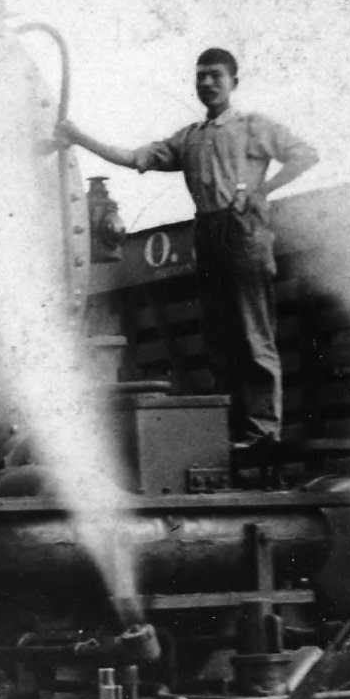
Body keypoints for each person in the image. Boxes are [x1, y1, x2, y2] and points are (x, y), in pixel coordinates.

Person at [59, 49, 321, 472]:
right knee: (219, 340)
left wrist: (262, 190)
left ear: (234, 80)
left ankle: (263, 433)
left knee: (254, 336)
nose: (207, 84)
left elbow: (305, 154)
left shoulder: (254, 127)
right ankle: (232, 429)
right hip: (207, 232)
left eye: (215, 76)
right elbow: (134, 157)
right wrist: (79, 137)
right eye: (200, 77)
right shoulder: (189, 138)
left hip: (243, 232)